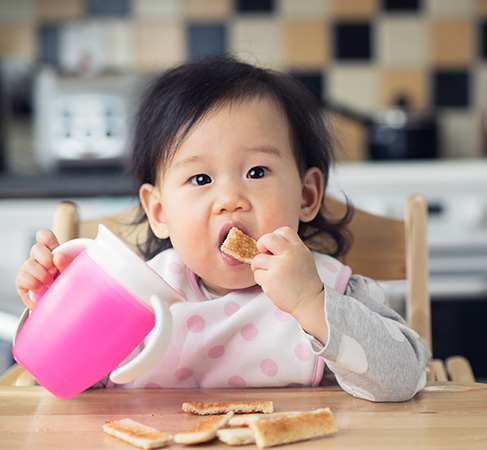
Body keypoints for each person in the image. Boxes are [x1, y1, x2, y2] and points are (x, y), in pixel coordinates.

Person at [15, 55, 430, 402]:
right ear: (158, 211)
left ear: (306, 196)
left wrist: (311, 303)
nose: (230, 199)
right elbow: (64, 381)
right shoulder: (134, 301)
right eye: (200, 179)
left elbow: (406, 378)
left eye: (256, 171)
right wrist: (57, 309)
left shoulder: (331, 291)